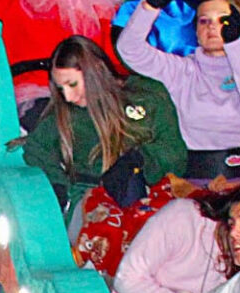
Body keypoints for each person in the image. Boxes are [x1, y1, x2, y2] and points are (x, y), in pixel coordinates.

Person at [21, 35, 186, 212]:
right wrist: (58, 187)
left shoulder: (146, 95)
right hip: (89, 198)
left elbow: (175, 153)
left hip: (148, 194)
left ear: (96, 71)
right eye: (61, 89)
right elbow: (36, 150)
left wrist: (140, 159)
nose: (68, 96)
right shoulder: (65, 113)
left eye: (72, 84)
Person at [120, 0, 240, 180]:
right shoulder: (181, 70)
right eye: (204, 21)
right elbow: (129, 50)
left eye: (223, 21)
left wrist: (235, 46)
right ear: (195, 31)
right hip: (194, 181)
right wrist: (149, 7)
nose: (212, 27)